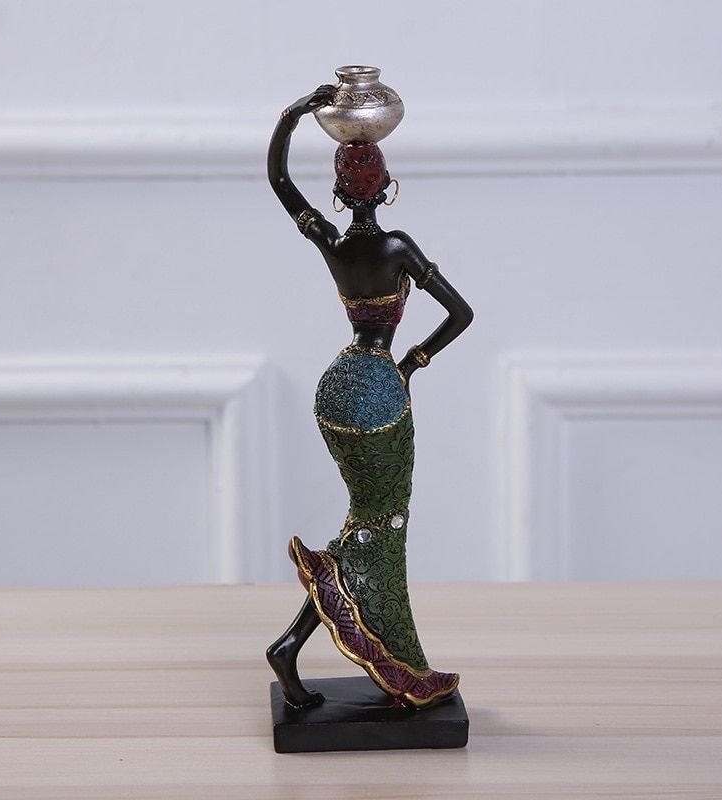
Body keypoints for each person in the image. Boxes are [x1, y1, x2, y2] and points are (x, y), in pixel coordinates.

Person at [266, 85, 474, 709]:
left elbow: (279, 180)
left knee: (366, 521)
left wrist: (294, 114)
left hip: (336, 387)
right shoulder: (396, 246)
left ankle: (295, 645)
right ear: (386, 188)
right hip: (381, 391)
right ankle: (401, 666)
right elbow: (461, 314)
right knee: (384, 523)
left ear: (339, 191)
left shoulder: (333, 244)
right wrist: (412, 362)